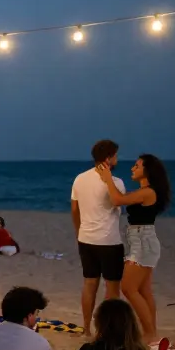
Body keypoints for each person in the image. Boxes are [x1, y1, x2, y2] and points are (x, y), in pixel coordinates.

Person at [96, 153, 170, 343]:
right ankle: (151, 332)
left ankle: (150, 334)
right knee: (144, 290)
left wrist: (107, 180)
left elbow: (117, 200)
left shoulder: (148, 192)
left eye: (137, 166)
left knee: (128, 288)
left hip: (143, 243)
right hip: (141, 241)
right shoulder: (145, 191)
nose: (132, 168)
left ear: (147, 170)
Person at [72, 140, 126, 337]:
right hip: (109, 241)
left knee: (89, 284)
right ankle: (107, 330)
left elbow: (74, 209)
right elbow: (117, 203)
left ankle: (86, 327)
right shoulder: (116, 182)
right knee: (112, 288)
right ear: (108, 158)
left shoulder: (79, 179)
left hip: (86, 239)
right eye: (116, 155)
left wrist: (79, 232)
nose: (117, 159)